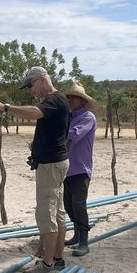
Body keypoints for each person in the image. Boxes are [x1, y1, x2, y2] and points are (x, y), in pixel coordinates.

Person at [0, 67, 69, 273]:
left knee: (46, 214)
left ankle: (48, 264)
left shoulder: (53, 101)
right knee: (58, 213)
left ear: (42, 80)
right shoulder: (58, 101)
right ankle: (57, 259)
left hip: (51, 166)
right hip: (55, 163)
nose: (30, 91)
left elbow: (34, 113)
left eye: (30, 85)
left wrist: (4, 107)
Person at [62, 82, 97, 257]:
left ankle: (84, 241)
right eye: (67, 97)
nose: (69, 100)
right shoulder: (69, 116)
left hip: (80, 169)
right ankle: (77, 235)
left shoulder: (87, 117)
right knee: (68, 204)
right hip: (67, 168)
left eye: (72, 97)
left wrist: (56, 130)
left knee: (79, 205)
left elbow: (74, 135)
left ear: (82, 101)